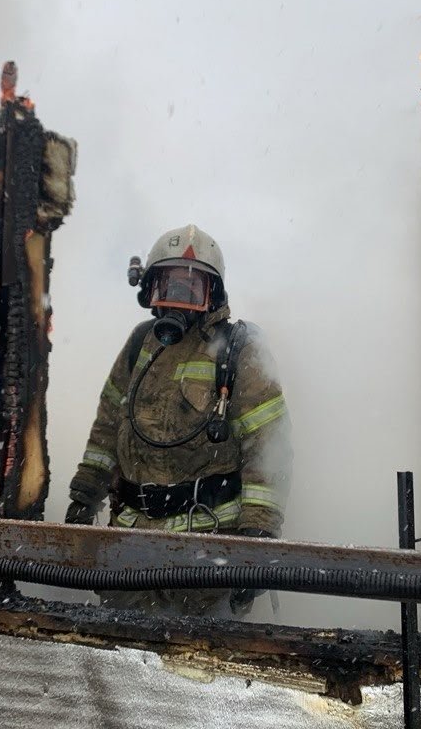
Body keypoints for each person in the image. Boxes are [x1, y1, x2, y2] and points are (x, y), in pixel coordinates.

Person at [65, 224, 291, 617]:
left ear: (213, 294)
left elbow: (270, 452)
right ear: (148, 289)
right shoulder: (140, 342)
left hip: (208, 553)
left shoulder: (239, 350)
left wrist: (257, 542)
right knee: (120, 655)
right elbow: (106, 427)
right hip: (129, 548)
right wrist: (85, 495)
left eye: (192, 288)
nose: (178, 299)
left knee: (201, 669)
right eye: (168, 286)